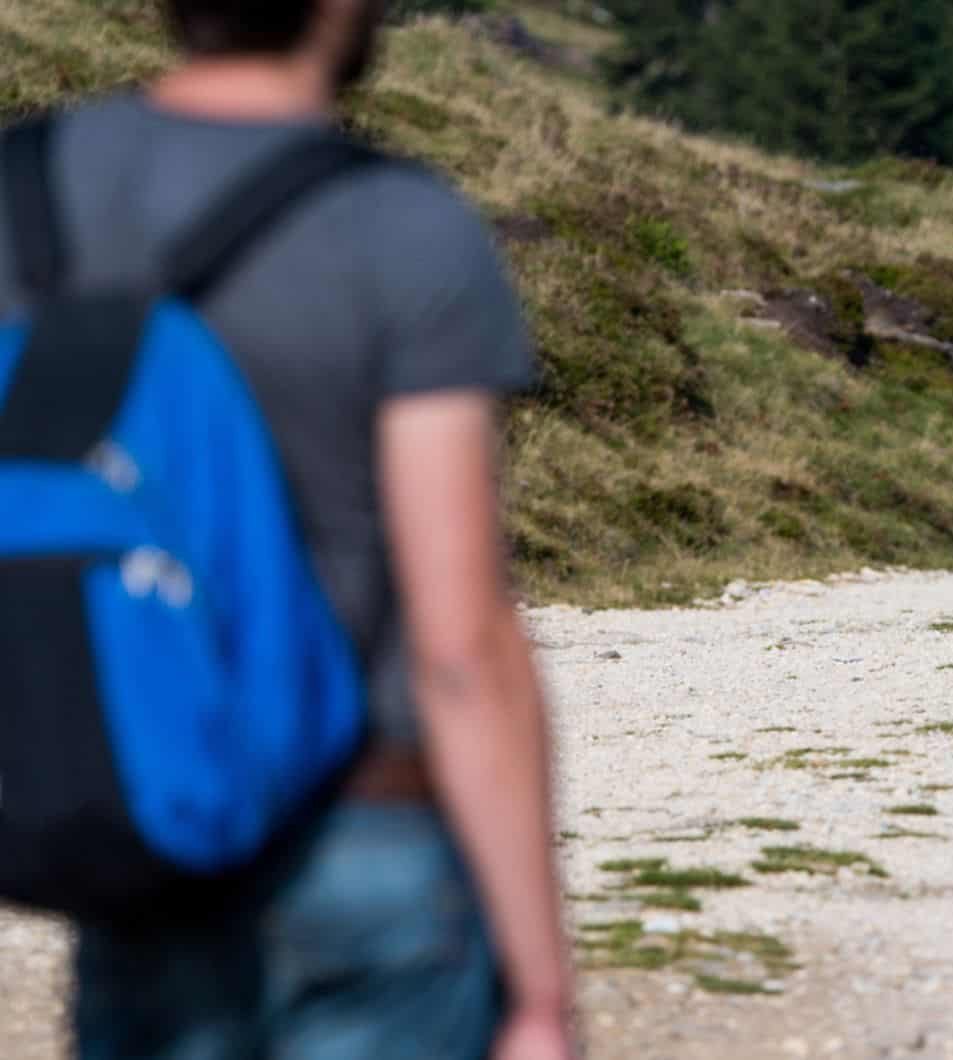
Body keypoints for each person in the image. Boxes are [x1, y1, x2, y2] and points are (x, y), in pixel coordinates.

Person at [0, 1, 576, 1057]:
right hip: (363, 830)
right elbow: (460, 646)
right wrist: (541, 990)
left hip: (139, 817)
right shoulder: (401, 225)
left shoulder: (20, 187)